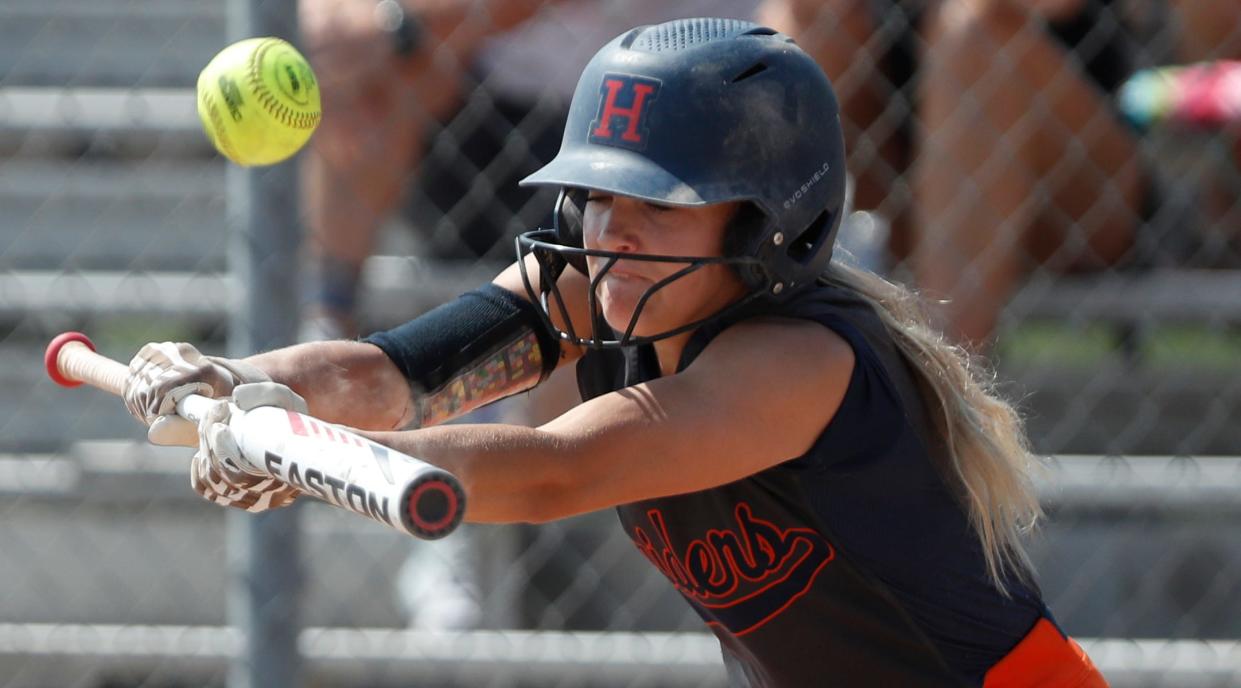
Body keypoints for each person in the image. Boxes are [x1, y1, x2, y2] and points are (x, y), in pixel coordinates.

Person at [124, 19, 1107, 685]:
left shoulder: (802, 360)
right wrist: (237, 382)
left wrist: (294, 452)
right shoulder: (597, 288)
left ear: (765, 222)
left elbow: (563, 468)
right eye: (595, 193)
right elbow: (387, 374)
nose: (612, 230)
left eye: (660, 201)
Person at [758, 0, 1149, 346]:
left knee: (972, 31)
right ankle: (750, 315)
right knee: (813, 19)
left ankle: (941, 390)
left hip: (1086, 194)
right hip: (915, 193)